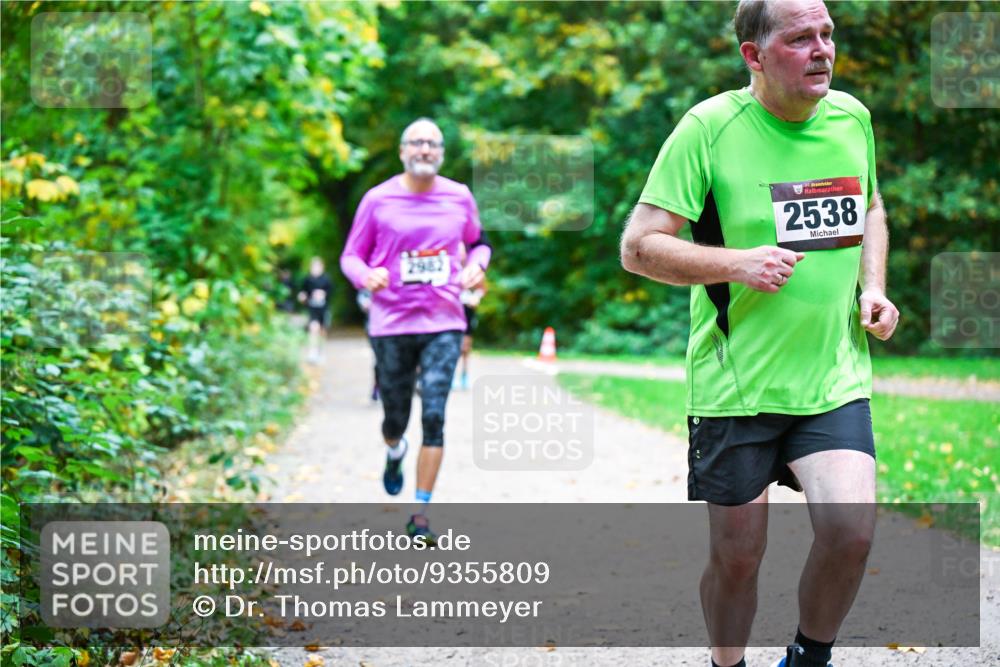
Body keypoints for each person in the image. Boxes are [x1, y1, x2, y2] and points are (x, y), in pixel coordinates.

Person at [620, 2, 899, 666]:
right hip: (735, 383)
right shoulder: (707, 129)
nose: (822, 49)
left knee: (851, 533)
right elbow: (638, 247)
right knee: (738, 558)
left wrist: (874, 286)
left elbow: (870, 206)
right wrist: (736, 263)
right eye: (801, 38)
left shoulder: (851, 118)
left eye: (827, 34)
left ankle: (807, 658)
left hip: (832, 376)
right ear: (754, 55)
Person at [340, 117, 491, 544]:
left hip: (444, 321)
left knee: (435, 414)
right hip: (391, 324)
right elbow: (351, 256)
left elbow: (479, 243)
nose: (425, 149)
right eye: (417, 142)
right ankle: (394, 449)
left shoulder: (459, 196)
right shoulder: (378, 199)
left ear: (441, 153)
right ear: (402, 150)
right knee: (396, 416)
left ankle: (420, 514)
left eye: (433, 144)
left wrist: (477, 265)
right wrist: (364, 276)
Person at [298, 257, 334, 364]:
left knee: (322, 331)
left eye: (317, 266)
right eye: (313, 266)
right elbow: (303, 293)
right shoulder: (307, 279)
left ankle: (321, 352)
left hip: (324, 309)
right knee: (313, 328)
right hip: (312, 309)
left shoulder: (327, 279)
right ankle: (312, 352)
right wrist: (303, 297)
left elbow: (332, 293)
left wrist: (324, 294)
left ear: (322, 267)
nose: (315, 268)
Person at [356, 288, 380, 403]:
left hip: (401, 328)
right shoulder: (368, 284)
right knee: (381, 360)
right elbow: (364, 304)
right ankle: (377, 387)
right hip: (376, 329)